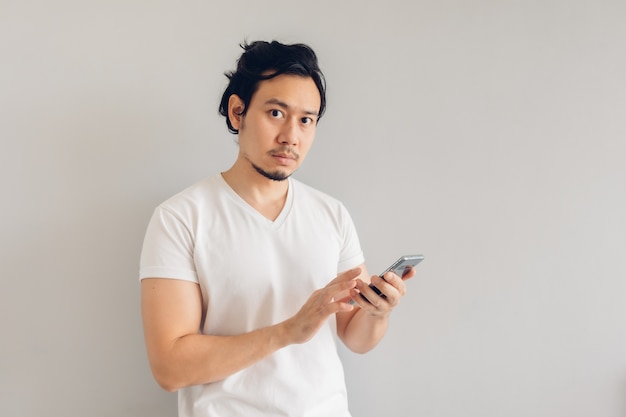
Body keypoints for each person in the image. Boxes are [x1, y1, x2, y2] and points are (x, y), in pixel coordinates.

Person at [139, 40, 416, 417]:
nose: (291, 136)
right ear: (238, 112)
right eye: (275, 113)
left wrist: (377, 312)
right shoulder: (181, 218)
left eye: (306, 120)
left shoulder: (331, 214)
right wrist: (289, 330)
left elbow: (354, 335)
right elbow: (170, 368)